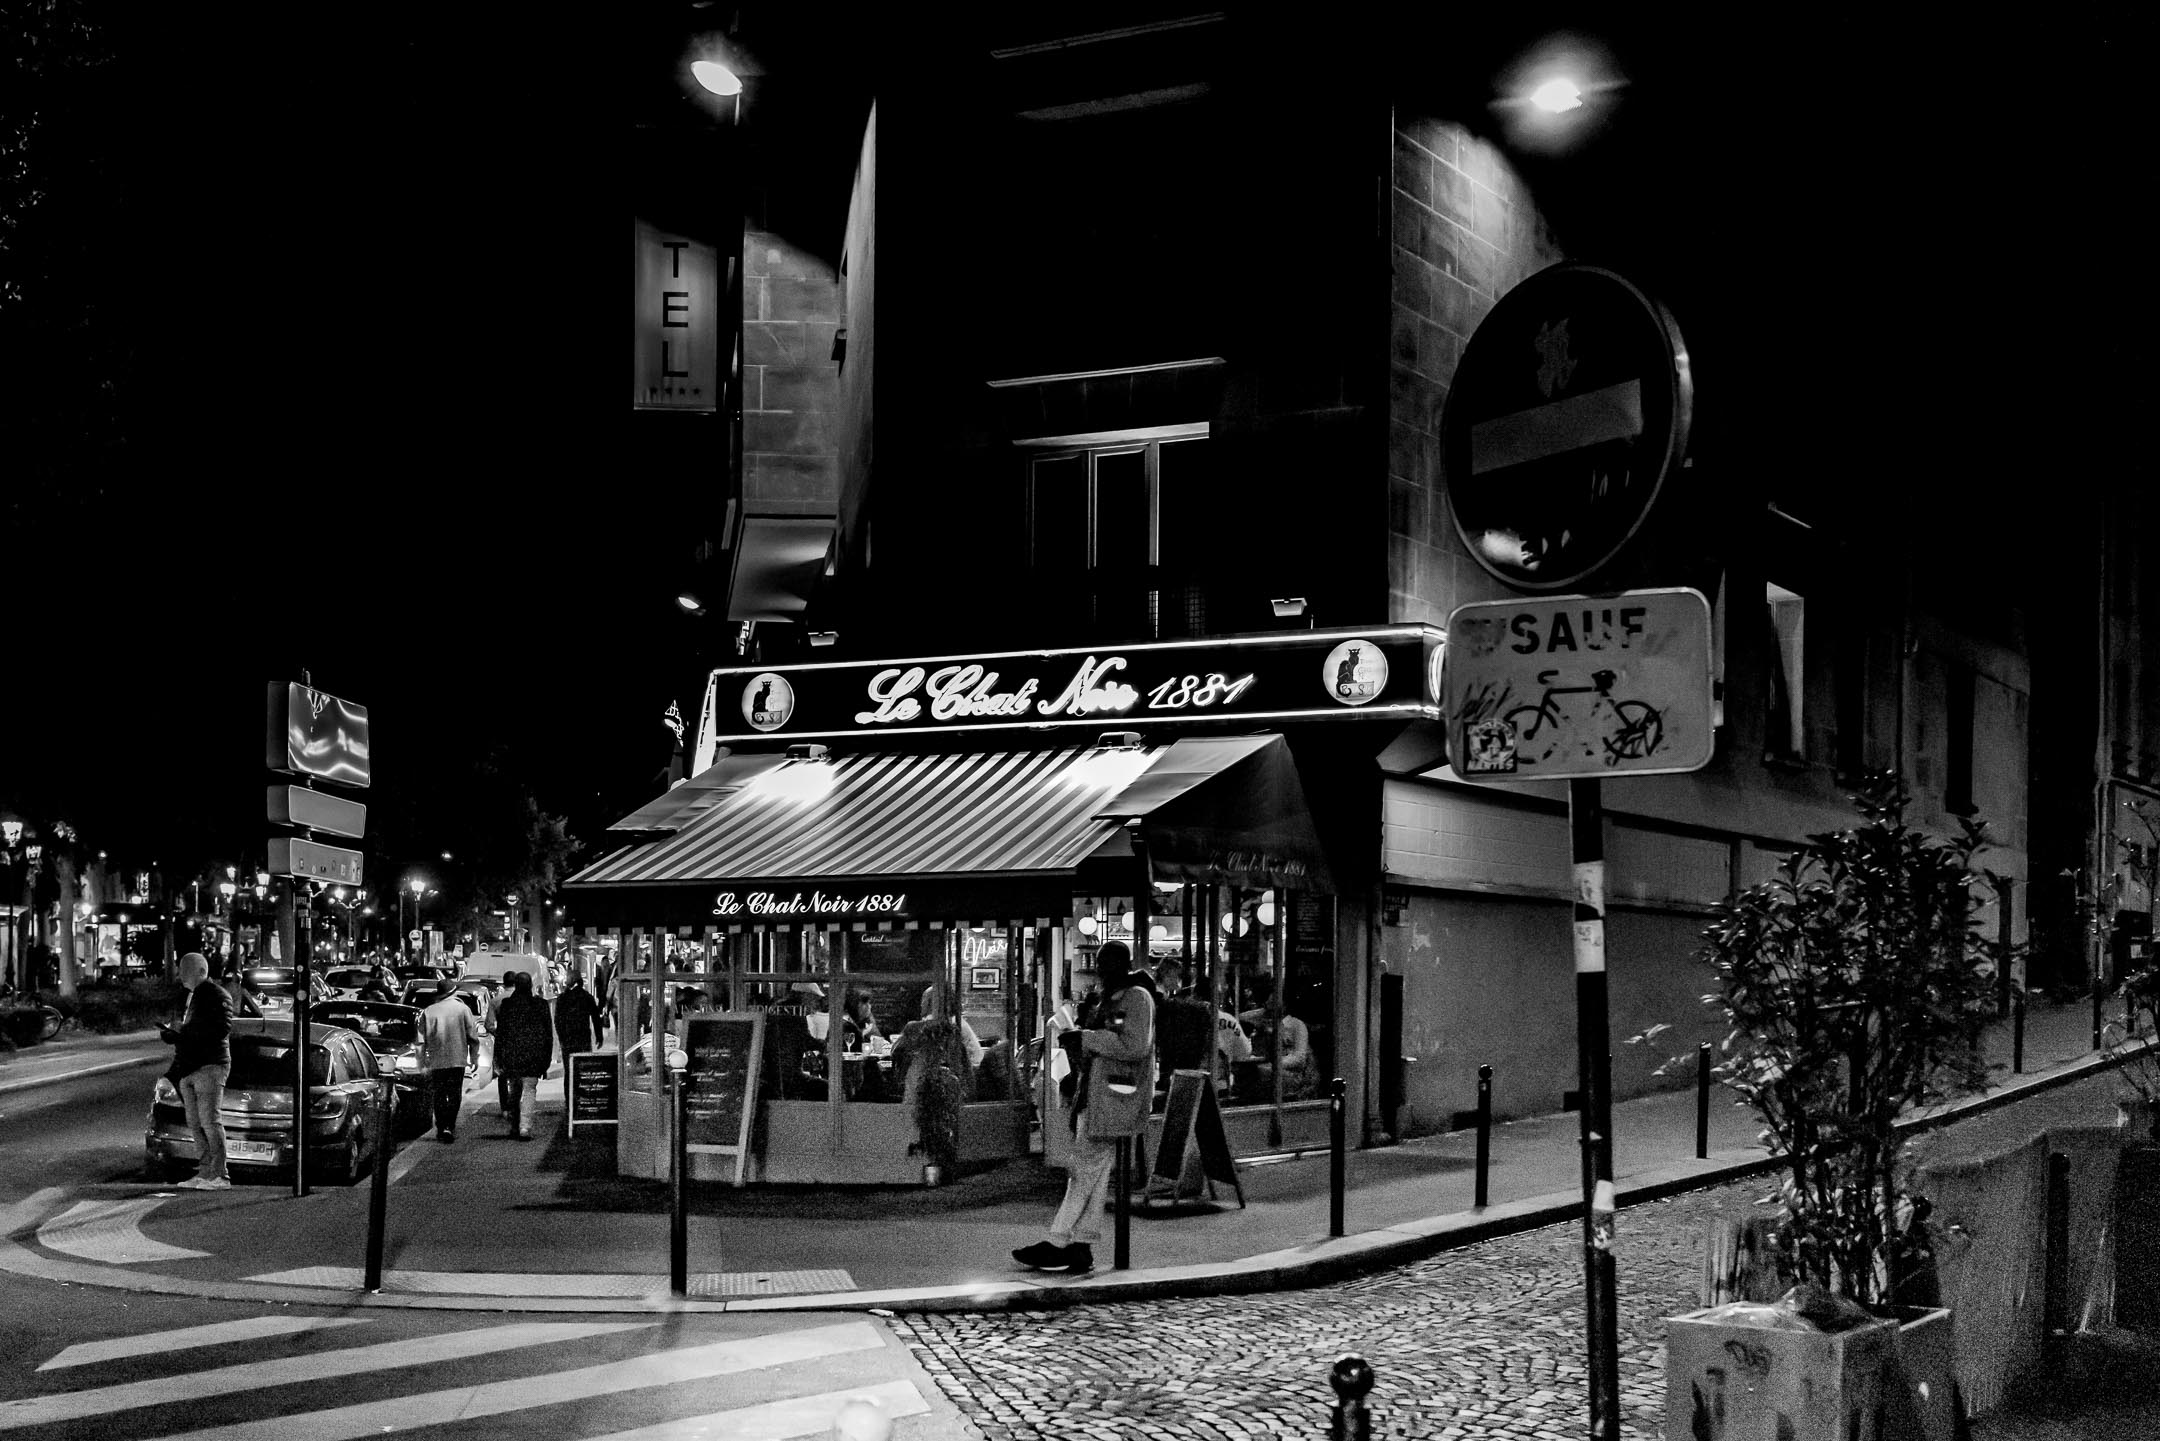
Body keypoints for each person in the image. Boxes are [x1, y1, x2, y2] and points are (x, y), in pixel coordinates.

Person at [1012, 940, 1155, 1275]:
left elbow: (1135, 1045)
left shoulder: (1136, 998)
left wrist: (1086, 1038)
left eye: (1107, 965)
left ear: (1122, 965)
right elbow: (1119, 1044)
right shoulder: (1117, 998)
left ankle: (1059, 1240)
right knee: (1094, 1171)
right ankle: (1081, 1244)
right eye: (1101, 964)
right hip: (1101, 1095)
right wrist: (1081, 1041)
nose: (1101, 971)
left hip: (1114, 1097)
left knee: (1084, 1169)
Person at [163, 952, 233, 1190]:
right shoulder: (189, 996)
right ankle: (205, 1171)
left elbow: (221, 1028)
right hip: (189, 1066)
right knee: (195, 1122)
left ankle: (219, 1175)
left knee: (209, 1121)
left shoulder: (216, 995)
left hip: (208, 1065)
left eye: (185, 970)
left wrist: (183, 1032)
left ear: (202, 972)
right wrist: (172, 1034)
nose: (180, 974)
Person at [493, 969, 554, 1140]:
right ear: (531, 986)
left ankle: (514, 1124)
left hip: (512, 1056)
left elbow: (501, 1034)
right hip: (534, 1056)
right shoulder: (541, 1005)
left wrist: (498, 1056)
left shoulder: (507, 1005)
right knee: (529, 1090)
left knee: (514, 1090)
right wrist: (546, 1059)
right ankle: (525, 1127)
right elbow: (548, 1034)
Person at [419, 978, 480, 1142]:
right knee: (454, 1093)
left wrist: (421, 1061)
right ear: (453, 992)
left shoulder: (429, 1011)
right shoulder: (463, 1009)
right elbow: (473, 1037)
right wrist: (474, 1057)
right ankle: (449, 1126)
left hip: (437, 1060)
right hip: (457, 1058)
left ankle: (441, 1126)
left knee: (439, 1093)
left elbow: (421, 1040)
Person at [1240, 981, 1316, 1100]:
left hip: (1293, 1074)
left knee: (1258, 1075)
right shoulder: (1268, 1024)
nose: (1268, 1009)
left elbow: (1299, 1058)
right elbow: (1241, 1017)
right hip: (1272, 1068)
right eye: (1267, 1004)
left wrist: (1275, 1063)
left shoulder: (1296, 1025)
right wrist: (1264, 1011)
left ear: (1283, 1006)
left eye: (1272, 1004)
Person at [554, 965, 605, 1060]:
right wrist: (599, 1036)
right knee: (583, 1063)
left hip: (567, 1038)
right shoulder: (587, 997)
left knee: (568, 1064)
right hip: (583, 1037)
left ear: (573, 980)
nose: (566, 980)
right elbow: (596, 1018)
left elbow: (557, 1020)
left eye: (568, 978)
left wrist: (561, 1036)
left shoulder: (562, 998)